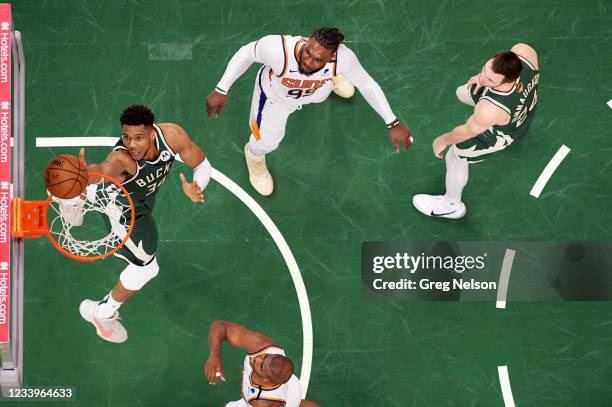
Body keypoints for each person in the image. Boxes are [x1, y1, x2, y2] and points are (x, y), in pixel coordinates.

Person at [205, 27, 412, 196]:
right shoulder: (278, 49)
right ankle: (255, 156)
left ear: (331, 56)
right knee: (267, 140)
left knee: (330, 87)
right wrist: (221, 88)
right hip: (275, 99)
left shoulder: (343, 59)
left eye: (317, 59)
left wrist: (392, 122)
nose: (308, 60)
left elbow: (367, 84)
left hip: (316, 91)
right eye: (307, 52)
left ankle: (334, 78)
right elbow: (246, 53)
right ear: (307, 42)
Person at [75, 104, 212, 343]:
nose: (132, 144)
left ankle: (76, 196)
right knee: (147, 268)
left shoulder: (172, 136)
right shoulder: (123, 159)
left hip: (142, 200)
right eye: (126, 137)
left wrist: (197, 186)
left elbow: (201, 164)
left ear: (152, 134)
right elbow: (104, 169)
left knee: (101, 190)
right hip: (124, 211)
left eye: (138, 138)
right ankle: (102, 314)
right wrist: (85, 174)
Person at [413, 43, 539, 219]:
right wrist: (482, 79)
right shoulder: (525, 52)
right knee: (462, 92)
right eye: (485, 70)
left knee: (455, 156)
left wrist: (442, 140)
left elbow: (464, 132)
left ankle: (451, 205)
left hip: (504, 133)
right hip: (523, 114)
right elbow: (490, 81)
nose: (484, 78)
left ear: (508, 81)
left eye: (490, 80)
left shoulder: (489, 110)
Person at [204, 320, 319, 407]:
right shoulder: (262, 347)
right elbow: (220, 326)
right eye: (266, 357)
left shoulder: (263, 402)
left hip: (282, 398)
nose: (257, 359)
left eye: (261, 366)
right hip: (290, 386)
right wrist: (214, 356)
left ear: (266, 381)